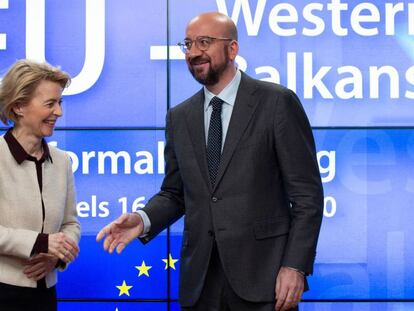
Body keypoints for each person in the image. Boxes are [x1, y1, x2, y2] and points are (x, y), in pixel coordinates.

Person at [97, 12, 323, 311]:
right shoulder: (180, 117)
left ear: (232, 49)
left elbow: (307, 196)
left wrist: (295, 266)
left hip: (264, 279)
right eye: (188, 44)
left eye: (204, 42)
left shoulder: (276, 103)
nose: (193, 52)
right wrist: (143, 219)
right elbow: (175, 193)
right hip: (201, 284)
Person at [0, 60, 80, 311]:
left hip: (45, 295)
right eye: (50, 104)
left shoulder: (62, 161)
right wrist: (41, 242)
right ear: (19, 106)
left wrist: (56, 257)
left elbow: (71, 224)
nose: (59, 112)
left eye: (60, 103)